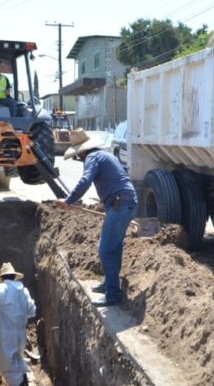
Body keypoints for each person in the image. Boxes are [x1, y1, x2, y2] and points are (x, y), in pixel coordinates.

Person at [57, 129, 137, 306]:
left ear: (81, 151)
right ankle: (109, 284)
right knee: (112, 247)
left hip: (120, 204)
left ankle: (113, 295)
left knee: (105, 250)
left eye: (78, 155)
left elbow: (85, 180)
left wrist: (69, 200)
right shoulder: (102, 155)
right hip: (123, 202)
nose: (78, 158)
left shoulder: (92, 158)